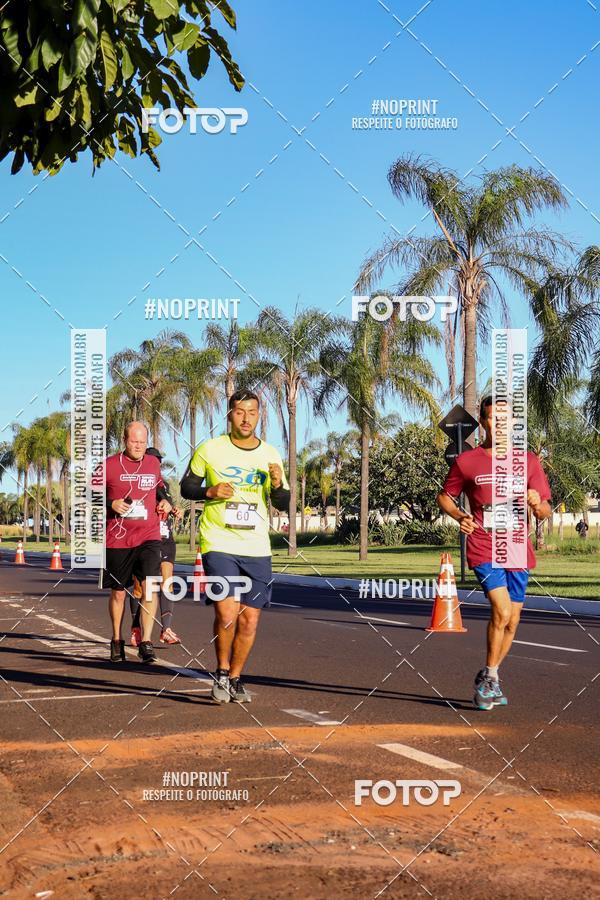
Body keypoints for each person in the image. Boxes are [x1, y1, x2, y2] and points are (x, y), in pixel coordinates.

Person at [436, 396, 552, 710]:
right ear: (484, 422)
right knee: (501, 611)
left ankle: (492, 675)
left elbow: (544, 510)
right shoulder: (467, 461)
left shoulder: (528, 462)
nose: (498, 424)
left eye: (504, 418)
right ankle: (489, 679)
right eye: (491, 418)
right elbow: (445, 497)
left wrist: (535, 502)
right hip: (484, 545)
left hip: (517, 548)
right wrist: (461, 517)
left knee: (512, 621)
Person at [180, 389, 290, 704]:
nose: (246, 418)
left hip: (256, 545)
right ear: (230, 414)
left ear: (259, 415)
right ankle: (222, 671)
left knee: (249, 619)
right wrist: (210, 491)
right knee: (226, 612)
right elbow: (187, 486)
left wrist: (279, 483)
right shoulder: (210, 449)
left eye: (252, 412)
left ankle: (237, 677)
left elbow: (281, 503)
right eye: (240, 412)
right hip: (218, 540)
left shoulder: (269, 454)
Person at [102, 422, 171, 663]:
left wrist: (165, 502)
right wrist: (111, 504)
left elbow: (159, 487)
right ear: (124, 440)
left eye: (142, 441)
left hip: (148, 536)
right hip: (118, 540)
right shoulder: (109, 465)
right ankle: (116, 640)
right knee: (119, 594)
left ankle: (146, 642)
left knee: (150, 587)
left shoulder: (153, 463)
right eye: (134, 441)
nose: (139, 445)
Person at [130, 447, 183, 646]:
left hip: (165, 538)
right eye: (153, 460)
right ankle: (136, 628)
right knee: (140, 588)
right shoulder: (136, 483)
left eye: (158, 461)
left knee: (167, 583)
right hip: (143, 538)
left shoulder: (164, 484)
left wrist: (173, 509)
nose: (156, 464)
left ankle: (166, 629)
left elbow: (167, 502)